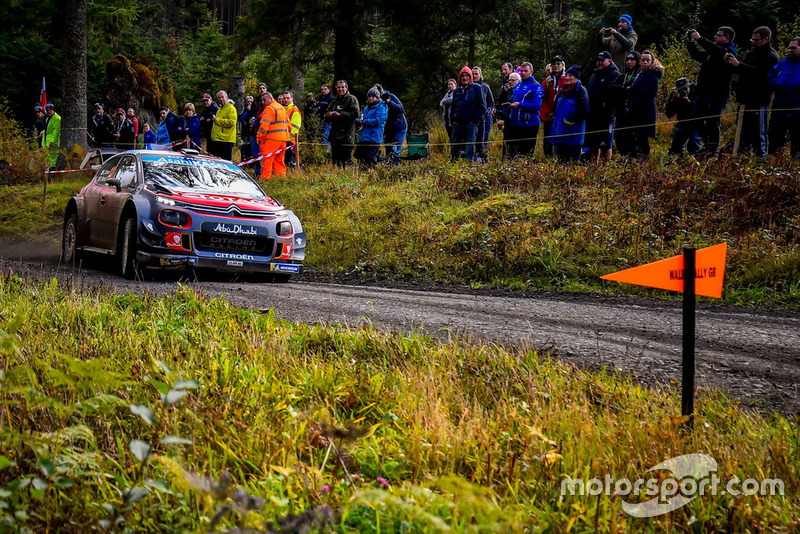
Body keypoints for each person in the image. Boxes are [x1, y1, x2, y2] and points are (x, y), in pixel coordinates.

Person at [725, 26, 780, 157]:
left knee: (758, 133)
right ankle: (742, 155)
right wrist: (732, 64)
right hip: (745, 99)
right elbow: (743, 69)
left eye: (756, 40)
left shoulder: (771, 57)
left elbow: (760, 74)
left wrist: (739, 65)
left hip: (759, 100)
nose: (753, 42)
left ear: (766, 39)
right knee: (742, 131)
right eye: (752, 39)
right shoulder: (752, 53)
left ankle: (760, 158)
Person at [686, 27, 737, 157]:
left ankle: (712, 149)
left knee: (712, 120)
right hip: (704, 91)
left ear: (727, 38)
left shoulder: (728, 51)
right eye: (715, 34)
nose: (715, 37)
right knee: (696, 118)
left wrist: (699, 38)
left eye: (719, 35)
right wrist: (690, 43)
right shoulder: (712, 51)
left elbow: (717, 50)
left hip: (719, 92)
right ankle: (708, 143)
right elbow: (697, 55)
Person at [623, 49, 663, 159]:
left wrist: (630, 108)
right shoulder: (641, 74)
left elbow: (644, 95)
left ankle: (643, 157)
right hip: (637, 112)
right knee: (635, 135)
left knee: (641, 137)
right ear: (640, 62)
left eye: (647, 60)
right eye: (643, 60)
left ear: (651, 62)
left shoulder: (651, 76)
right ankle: (634, 156)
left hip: (644, 112)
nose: (645, 62)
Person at [586, 51, 622, 164]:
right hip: (592, 115)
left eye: (602, 60)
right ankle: (593, 165)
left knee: (606, 144)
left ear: (609, 61)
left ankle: (606, 166)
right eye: (598, 60)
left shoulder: (615, 75)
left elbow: (618, 95)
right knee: (592, 143)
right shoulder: (594, 75)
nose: (599, 63)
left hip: (607, 116)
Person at [767, 37, 800, 158]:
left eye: (793, 48)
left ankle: (794, 167)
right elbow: (771, 76)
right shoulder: (782, 63)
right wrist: (776, 84)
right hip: (779, 108)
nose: (789, 50)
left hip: (797, 110)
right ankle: (772, 162)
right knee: (775, 138)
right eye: (789, 47)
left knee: (797, 141)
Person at [551, 65, 590, 162]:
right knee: (559, 162)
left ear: (576, 78)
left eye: (570, 76)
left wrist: (572, 119)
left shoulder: (581, 91)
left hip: (573, 134)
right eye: (566, 75)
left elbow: (585, 111)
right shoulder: (564, 90)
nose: (567, 78)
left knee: (572, 162)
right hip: (559, 132)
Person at [507, 61, 544, 158]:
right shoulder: (519, 85)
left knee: (526, 153)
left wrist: (521, 105)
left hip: (529, 124)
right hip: (516, 123)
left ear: (531, 72)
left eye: (525, 71)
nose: (523, 73)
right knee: (513, 152)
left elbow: (537, 105)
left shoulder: (536, 86)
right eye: (521, 71)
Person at [449, 66, 487, 161]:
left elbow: (482, 107)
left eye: (467, 75)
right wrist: (453, 120)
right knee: (455, 147)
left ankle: (468, 164)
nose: (464, 78)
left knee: (469, 147)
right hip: (457, 124)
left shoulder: (477, 88)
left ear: (470, 77)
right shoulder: (457, 91)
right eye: (462, 76)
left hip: (471, 124)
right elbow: (453, 107)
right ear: (459, 78)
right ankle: (454, 163)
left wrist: (474, 121)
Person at [325, 80, 360, 167]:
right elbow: (326, 112)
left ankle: (345, 178)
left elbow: (356, 114)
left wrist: (341, 114)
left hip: (346, 135)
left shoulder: (352, 99)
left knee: (345, 161)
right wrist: (329, 114)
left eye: (342, 87)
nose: (340, 89)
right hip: (335, 135)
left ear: (346, 88)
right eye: (339, 87)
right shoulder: (335, 100)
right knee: (335, 162)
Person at [256, 92, 291, 179]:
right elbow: (289, 125)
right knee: (279, 161)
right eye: (262, 100)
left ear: (270, 99)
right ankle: (281, 179)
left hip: (272, 139)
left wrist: (259, 138)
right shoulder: (281, 108)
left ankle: (265, 178)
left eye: (264, 100)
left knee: (267, 160)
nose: (263, 102)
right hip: (283, 140)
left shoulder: (269, 109)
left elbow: (264, 126)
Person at [613, 51, 641, 157]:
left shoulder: (639, 75)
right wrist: (624, 88)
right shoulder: (623, 74)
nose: (629, 62)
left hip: (632, 112)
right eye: (627, 60)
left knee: (630, 136)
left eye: (632, 60)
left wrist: (624, 89)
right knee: (619, 135)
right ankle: (623, 155)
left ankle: (633, 157)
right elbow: (612, 86)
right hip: (620, 111)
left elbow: (634, 91)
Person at [666, 77, 703, 156]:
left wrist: (689, 103)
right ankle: (677, 162)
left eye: (685, 89)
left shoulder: (697, 91)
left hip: (697, 123)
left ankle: (695, 163)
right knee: (675, 148)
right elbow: (668, 114)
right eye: (680, 89)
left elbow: (702, 109)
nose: (683, 91)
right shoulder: (674, 95)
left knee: (694, 144)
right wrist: (673, 101)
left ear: (689, 87)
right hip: (683, 122)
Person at [354, 87, 389, 168]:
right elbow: (362, 118)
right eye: (369, 96)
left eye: (373, 96)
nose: (371, 98)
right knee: (360, 158)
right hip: (363, 137)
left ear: (377, 97)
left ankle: (371, 176)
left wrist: (364, 122)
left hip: (374, 138)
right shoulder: (366, 108)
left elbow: (378, 120)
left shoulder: (382, 107)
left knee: (370, 160)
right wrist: (357, 120)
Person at [540, 56, 567, 157]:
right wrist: (547, 113)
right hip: (549, 115)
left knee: (561, 138)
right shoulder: (547, 81)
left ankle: (561, 157)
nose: (556, 66)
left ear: (562, 65)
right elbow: (542, 98)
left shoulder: (567, 79)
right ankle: (548, 157)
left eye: (558, 64)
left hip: (562, 115)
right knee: (548, 137)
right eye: (554, 64)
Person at [377, 85, 408, 162]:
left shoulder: (391, 97)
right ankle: (390, 167)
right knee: (388, 148)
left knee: (396, 149)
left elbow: (401, 109)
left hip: (399, 127)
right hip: (388, 129)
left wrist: (389, 102)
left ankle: (396, 167)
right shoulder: (376, 102)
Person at [495, 72, 521, 159]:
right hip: (507, 125)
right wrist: (504, 92)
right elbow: (501, 103)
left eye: (513, 80)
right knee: (506, 148)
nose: (510, 82)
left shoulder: (519, 92)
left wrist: (505, 121)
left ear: (518, 81)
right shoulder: (509, 91)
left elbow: (515, 111)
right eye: (509, 80)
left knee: (514, 149)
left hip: (516, 124)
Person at [471, 67, 495, 161]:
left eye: (476, 74)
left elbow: (491, 103)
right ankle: (472, 158)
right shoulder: (468, 87)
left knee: (483, 138)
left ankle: (482, 158)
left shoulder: (485, 87)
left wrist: (488, 111)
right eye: (472, 74)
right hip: (472, 118)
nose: (474, 76)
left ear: (481, 75)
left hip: (485, 117)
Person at [210, 90, 237, 160]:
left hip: (226, 140)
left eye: (222, 97)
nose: (221, 99)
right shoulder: (220, 109)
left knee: (225, 162)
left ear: (227, 97)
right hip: (218, 139)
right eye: (219, 98)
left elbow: (231, 122)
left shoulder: (231, 108)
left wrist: (217, 120)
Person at [249, 83, 269, 174]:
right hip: (255, 130)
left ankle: (265, 171)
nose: (262, 90)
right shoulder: (255, 103)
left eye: (263, 88)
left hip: (266, 131)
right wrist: (251, 120)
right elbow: (251, 114)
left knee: (265, 152)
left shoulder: (269, 102)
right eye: (260, 88)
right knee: (255, 152)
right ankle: (257, 170)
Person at [279, 91, 302, 169]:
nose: (286, 100)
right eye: (284, 98)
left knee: (290, 160)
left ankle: (293, 175)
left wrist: (288, 138)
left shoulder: (295, 111)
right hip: (282, 139)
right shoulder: (281, 109)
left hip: (290, 141)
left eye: (288, 98)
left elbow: (295, 128)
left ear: (292, 99)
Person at [41, 102, 61, 169]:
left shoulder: (57, 118)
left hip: (53, 142)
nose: (49, 111)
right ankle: (48, 172)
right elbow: (48, 129)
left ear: (53, 109)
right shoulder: (48, 118)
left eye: (50, 110)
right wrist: (43, 132)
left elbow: (56, 131)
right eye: (47, 110)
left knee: (53, 159)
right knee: (47, 158)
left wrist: (52, 141)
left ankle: (53, 172)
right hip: (47, 141)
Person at [239, 95, 255, 160]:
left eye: (251, 102)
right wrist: (247, 111)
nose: (249, 103)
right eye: (248, 101)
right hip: (245, 132)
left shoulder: (254, 110)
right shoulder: (245, 110)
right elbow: (240, 119)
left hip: (252, 132)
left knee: (252, 148)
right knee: (244, 147)